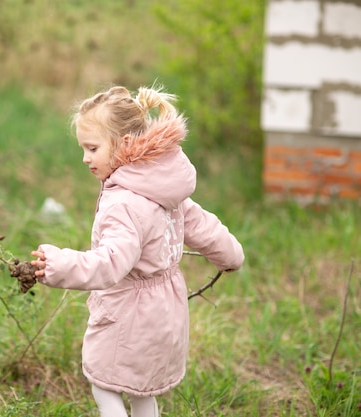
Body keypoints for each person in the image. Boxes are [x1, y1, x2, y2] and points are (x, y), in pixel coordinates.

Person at [29, 85, 245, 417]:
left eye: (92, 148)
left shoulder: (124, 202)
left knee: (104, 383)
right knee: (142, 391)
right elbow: (203, 226)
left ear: (124, 145)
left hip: (129, 314)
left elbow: (111, 263)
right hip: (166, 311)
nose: (85, 158)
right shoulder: (163, 187)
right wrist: (231, 256)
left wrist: (59, 264)